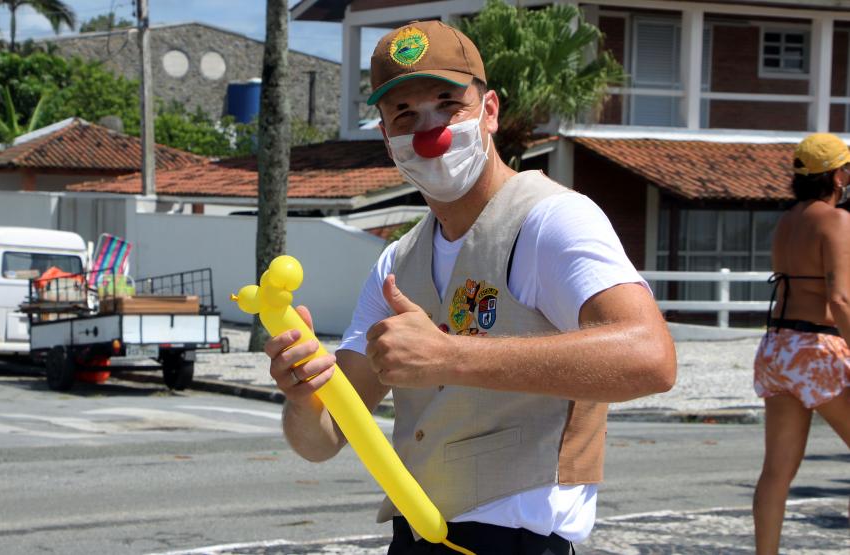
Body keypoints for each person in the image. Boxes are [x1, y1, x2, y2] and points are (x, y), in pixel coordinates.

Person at [265, 20, 676, 554]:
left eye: (447, 103)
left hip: (518, 543)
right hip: (416, 541)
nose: (429, 130)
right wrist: (302, 397)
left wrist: (450, 355)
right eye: (404, 114)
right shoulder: (398, 260)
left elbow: (651, 357)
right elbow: (323, 441)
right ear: (387, 138)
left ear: (490, 111)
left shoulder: (551, 221)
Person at [753, 132, 850, 554]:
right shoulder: (836, 220)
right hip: (816, 347)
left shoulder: (786, 221)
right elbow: (840, 298)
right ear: (836, 176)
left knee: (776, 471)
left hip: (777, 347)